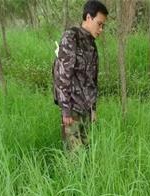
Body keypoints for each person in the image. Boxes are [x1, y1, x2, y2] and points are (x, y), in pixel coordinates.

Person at [53, 0, 108, 150]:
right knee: (74, 158)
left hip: (86, 109)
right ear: (88, 18)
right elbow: (62, 76)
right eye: (99, 24)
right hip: (72, 110)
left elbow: (92, 80)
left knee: (87, 152)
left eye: (103, 25)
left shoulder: (91, 44)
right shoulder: (71, 38)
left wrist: (93, 109)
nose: (101, 29)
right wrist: (65, 110)